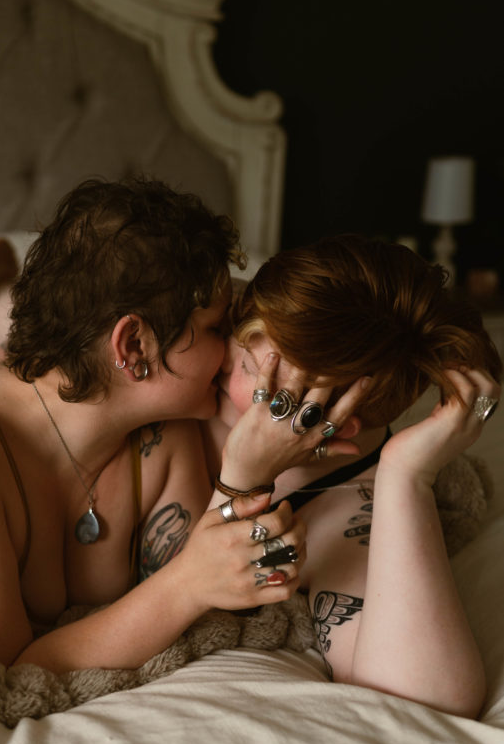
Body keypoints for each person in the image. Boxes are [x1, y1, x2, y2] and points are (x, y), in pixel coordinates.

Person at [0, 141, 365, 673]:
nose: (229, 351)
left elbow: (216, 567)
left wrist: (248, 469)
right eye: (214, 329)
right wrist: (186, 586)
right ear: (133, 347)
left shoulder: (161, 435)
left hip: (14, 386)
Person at [201, 235, 501, 718]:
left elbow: (427, 697)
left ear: (330, 421)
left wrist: (407, 474)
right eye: (238, 327)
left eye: (250, 368)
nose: (217, 356)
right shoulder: (202, 320)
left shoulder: (344, 510)